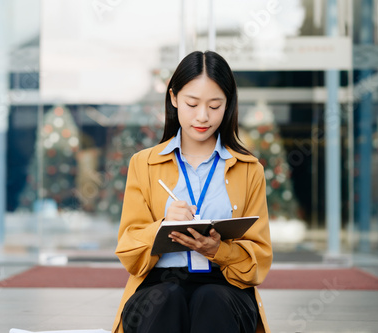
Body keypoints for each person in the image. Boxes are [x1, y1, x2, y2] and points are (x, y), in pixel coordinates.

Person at [111, 51, 272, 333]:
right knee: (167, 299)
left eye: (214, 106)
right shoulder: (144, 163)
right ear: (174, 98)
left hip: (225, 285)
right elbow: (129, 253)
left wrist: (219, 250)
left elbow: (259, 260)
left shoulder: (249, 169)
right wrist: (163, 225)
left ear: (228, 105)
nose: (202, 116)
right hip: (158, 284)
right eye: (192, 103)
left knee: (211, 298)